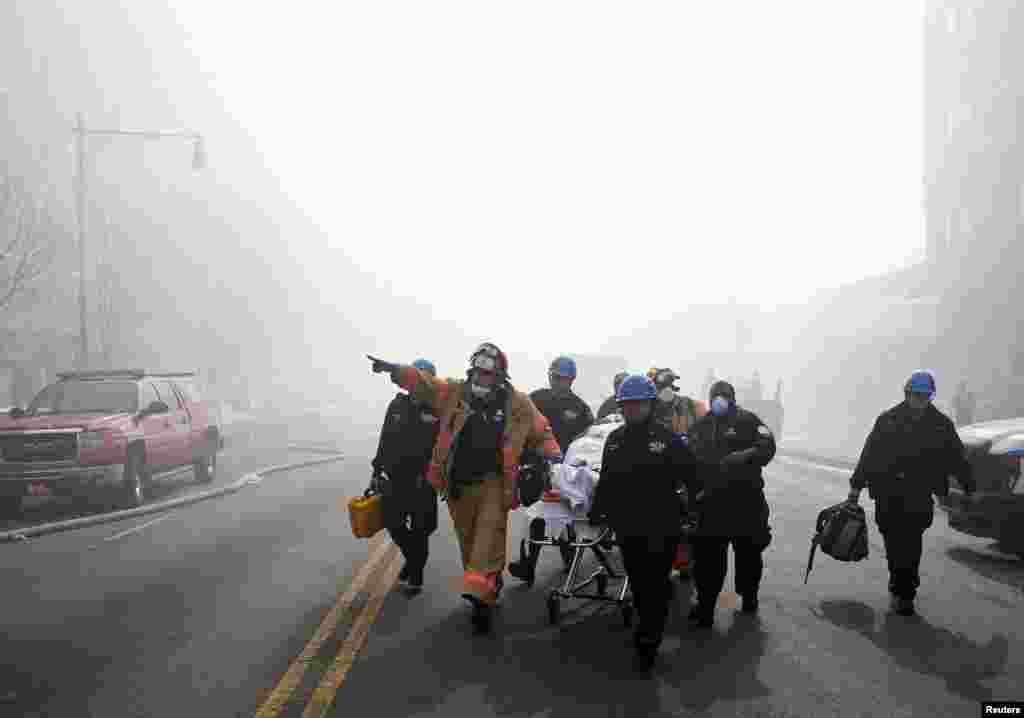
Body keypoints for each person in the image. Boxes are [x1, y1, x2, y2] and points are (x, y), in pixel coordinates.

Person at [369, 343, 561, 632]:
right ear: (472, 371)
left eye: (487, 374)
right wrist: (398, 371)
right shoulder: (455, 394)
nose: (481, 379)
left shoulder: (517, 403)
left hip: (495, 484)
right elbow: (427, 385)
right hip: (458, 485)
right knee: (470, 543)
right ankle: (489, 582)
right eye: (478, 373)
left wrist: (554, 456)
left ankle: (481, 599)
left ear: (499, 376)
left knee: (488, 536)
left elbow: (540, 429)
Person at [589, 374, 698, 672]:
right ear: (622, 407)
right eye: (628, 405)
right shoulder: (614, 441)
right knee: (638, 580)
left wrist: (695, 509)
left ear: (650, 405)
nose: (633, 410)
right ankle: (647, 624)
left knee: (656, 582)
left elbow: (692, 475)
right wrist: (598, 512)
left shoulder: (667, 439)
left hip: (662, 524)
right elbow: (607, 482)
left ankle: (649, 639)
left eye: (639, 405)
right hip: (628, 526)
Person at [846, 370, 974, 616]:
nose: (920, 401)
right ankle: (898, 582)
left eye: (925, 397)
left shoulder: (941, 425)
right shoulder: (888, 420)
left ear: (930, 397)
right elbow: (869, 455)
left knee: (912, 543)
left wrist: (969, 486)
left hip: (919, 493)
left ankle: (905, 592)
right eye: (916, 395)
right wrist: (855, 486)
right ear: (907, 394)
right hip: (888, 493)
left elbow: (957, 458)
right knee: (893, 542)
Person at [687, 380, 776, 627]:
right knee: (708, 561)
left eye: (724, 396)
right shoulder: (701, 426)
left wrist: (746, 456)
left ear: (732, 399)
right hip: (712, 505)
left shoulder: (748, 421)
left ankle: (749, 597)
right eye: (715, 396)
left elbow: (768, 447)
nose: (719, 400)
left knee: (748, 554)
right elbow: (687, 459)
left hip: (746, 503)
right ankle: (705, 608)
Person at [370, 358, 440, 593]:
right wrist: (376, 470)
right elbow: (385, 439)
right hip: (396, 478)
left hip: (425, 481)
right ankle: (413, 561)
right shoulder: (397, 406)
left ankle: (416, 574)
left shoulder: (440, 409)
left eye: (425, 377)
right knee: (393, 524)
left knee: (422, 530)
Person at [530, 356, 595, 454]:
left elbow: (589, 438)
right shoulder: (535, 398)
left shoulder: (581, 408)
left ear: (571, 380)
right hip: (535, 460)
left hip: (567, 463)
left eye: (560, 378)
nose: (555, 381)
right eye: (554, 377)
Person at [648, 368, 702, 435]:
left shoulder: (692, 406)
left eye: (668, 384)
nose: (666, 389)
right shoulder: (645, 410)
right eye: (659, 386)